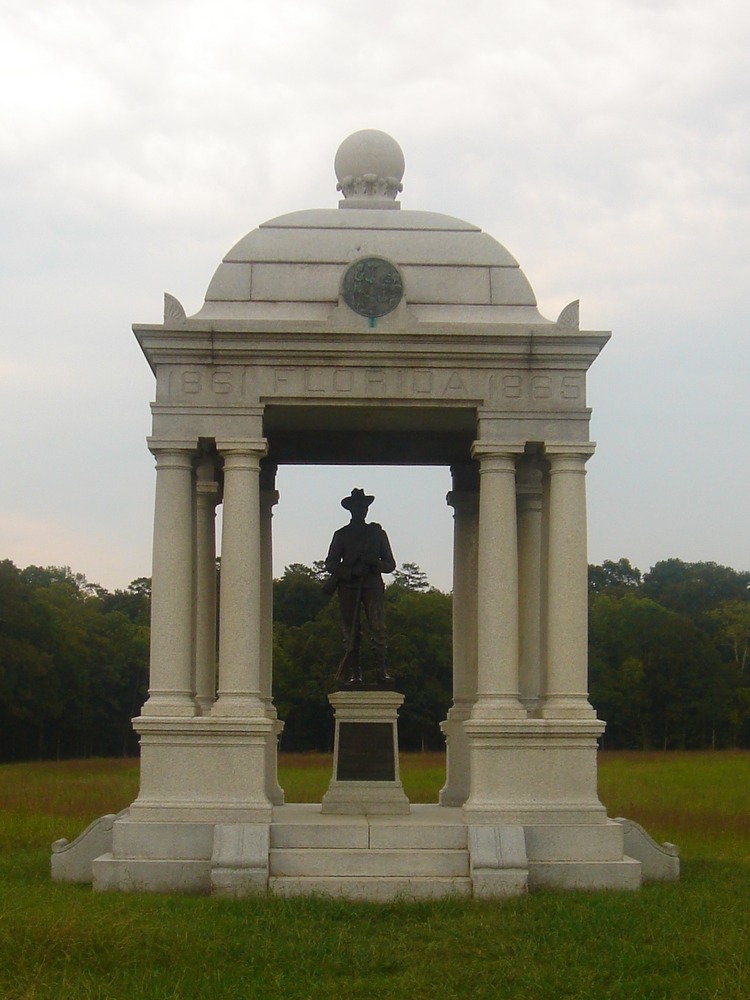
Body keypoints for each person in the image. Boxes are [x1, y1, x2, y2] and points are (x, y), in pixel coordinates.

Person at [324, 488, 396, 685]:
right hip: (348, 587)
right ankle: (355, 674)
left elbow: (390, 564)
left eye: (363, 507)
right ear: (351, 509)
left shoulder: (377, 534)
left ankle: (381, 672)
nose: (361, 510)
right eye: (357, 506)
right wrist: (350, 572)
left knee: (378, 629)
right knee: (351, 633)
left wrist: (375, 563)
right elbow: (330, 563)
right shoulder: (342, 534)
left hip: (372, 586)